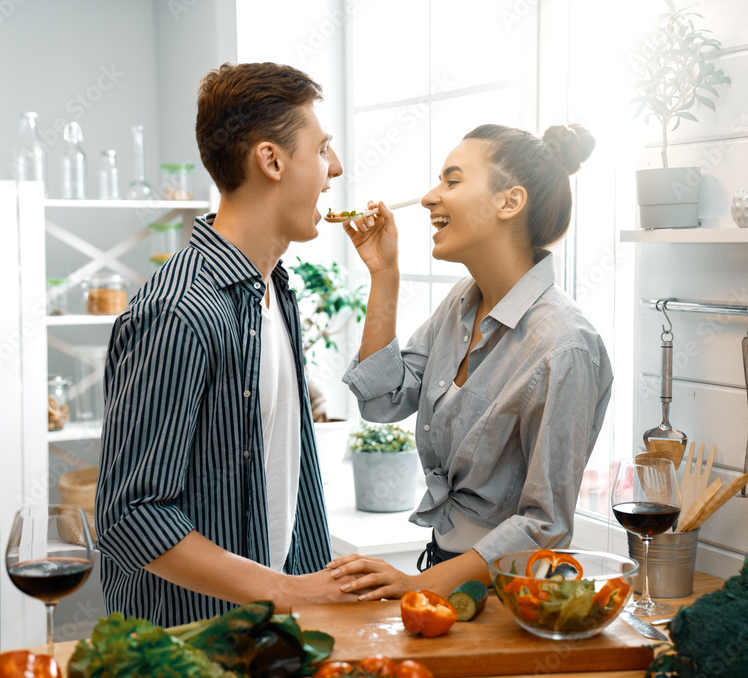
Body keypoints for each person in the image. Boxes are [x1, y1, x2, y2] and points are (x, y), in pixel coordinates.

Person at [95, 62, 358, 627]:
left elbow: (280, 474)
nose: (334, 168)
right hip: (195, 645)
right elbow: (133, 515)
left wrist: (314, 587)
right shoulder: (179, 312)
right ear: (271, 160)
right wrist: (287, 591)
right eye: (322, 148)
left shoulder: (273, 290)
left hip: (271, 631)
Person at [330, 123, 611, 599]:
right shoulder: (463, 303)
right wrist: (384, 273)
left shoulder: (565, 346)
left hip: (510, 595)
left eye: (452, 181)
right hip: (444, 571)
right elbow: (382, 401)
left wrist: (417, 585)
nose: (428, 197)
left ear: (509, 202)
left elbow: (544, 526)